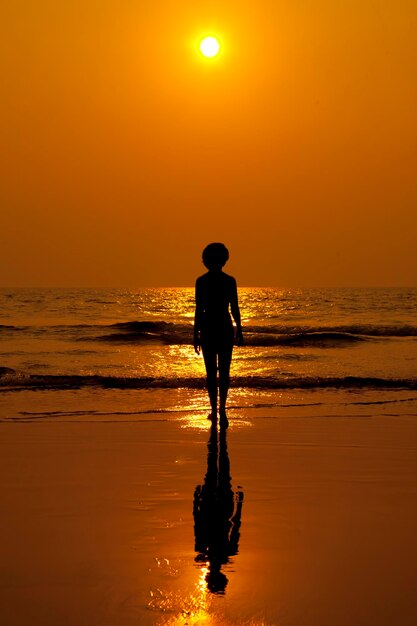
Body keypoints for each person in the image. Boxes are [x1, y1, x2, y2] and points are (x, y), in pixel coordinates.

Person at [194, 243, 243, 425]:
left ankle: (214, 409)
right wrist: (240, 330)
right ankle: (221, 409)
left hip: (208, 327)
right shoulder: (229, 281)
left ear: (206, 261)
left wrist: (195, 334)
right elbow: (235, 308)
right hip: (224, 325)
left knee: (210, 372)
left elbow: (199, 310)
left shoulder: (202, 281)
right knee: (224, 370)